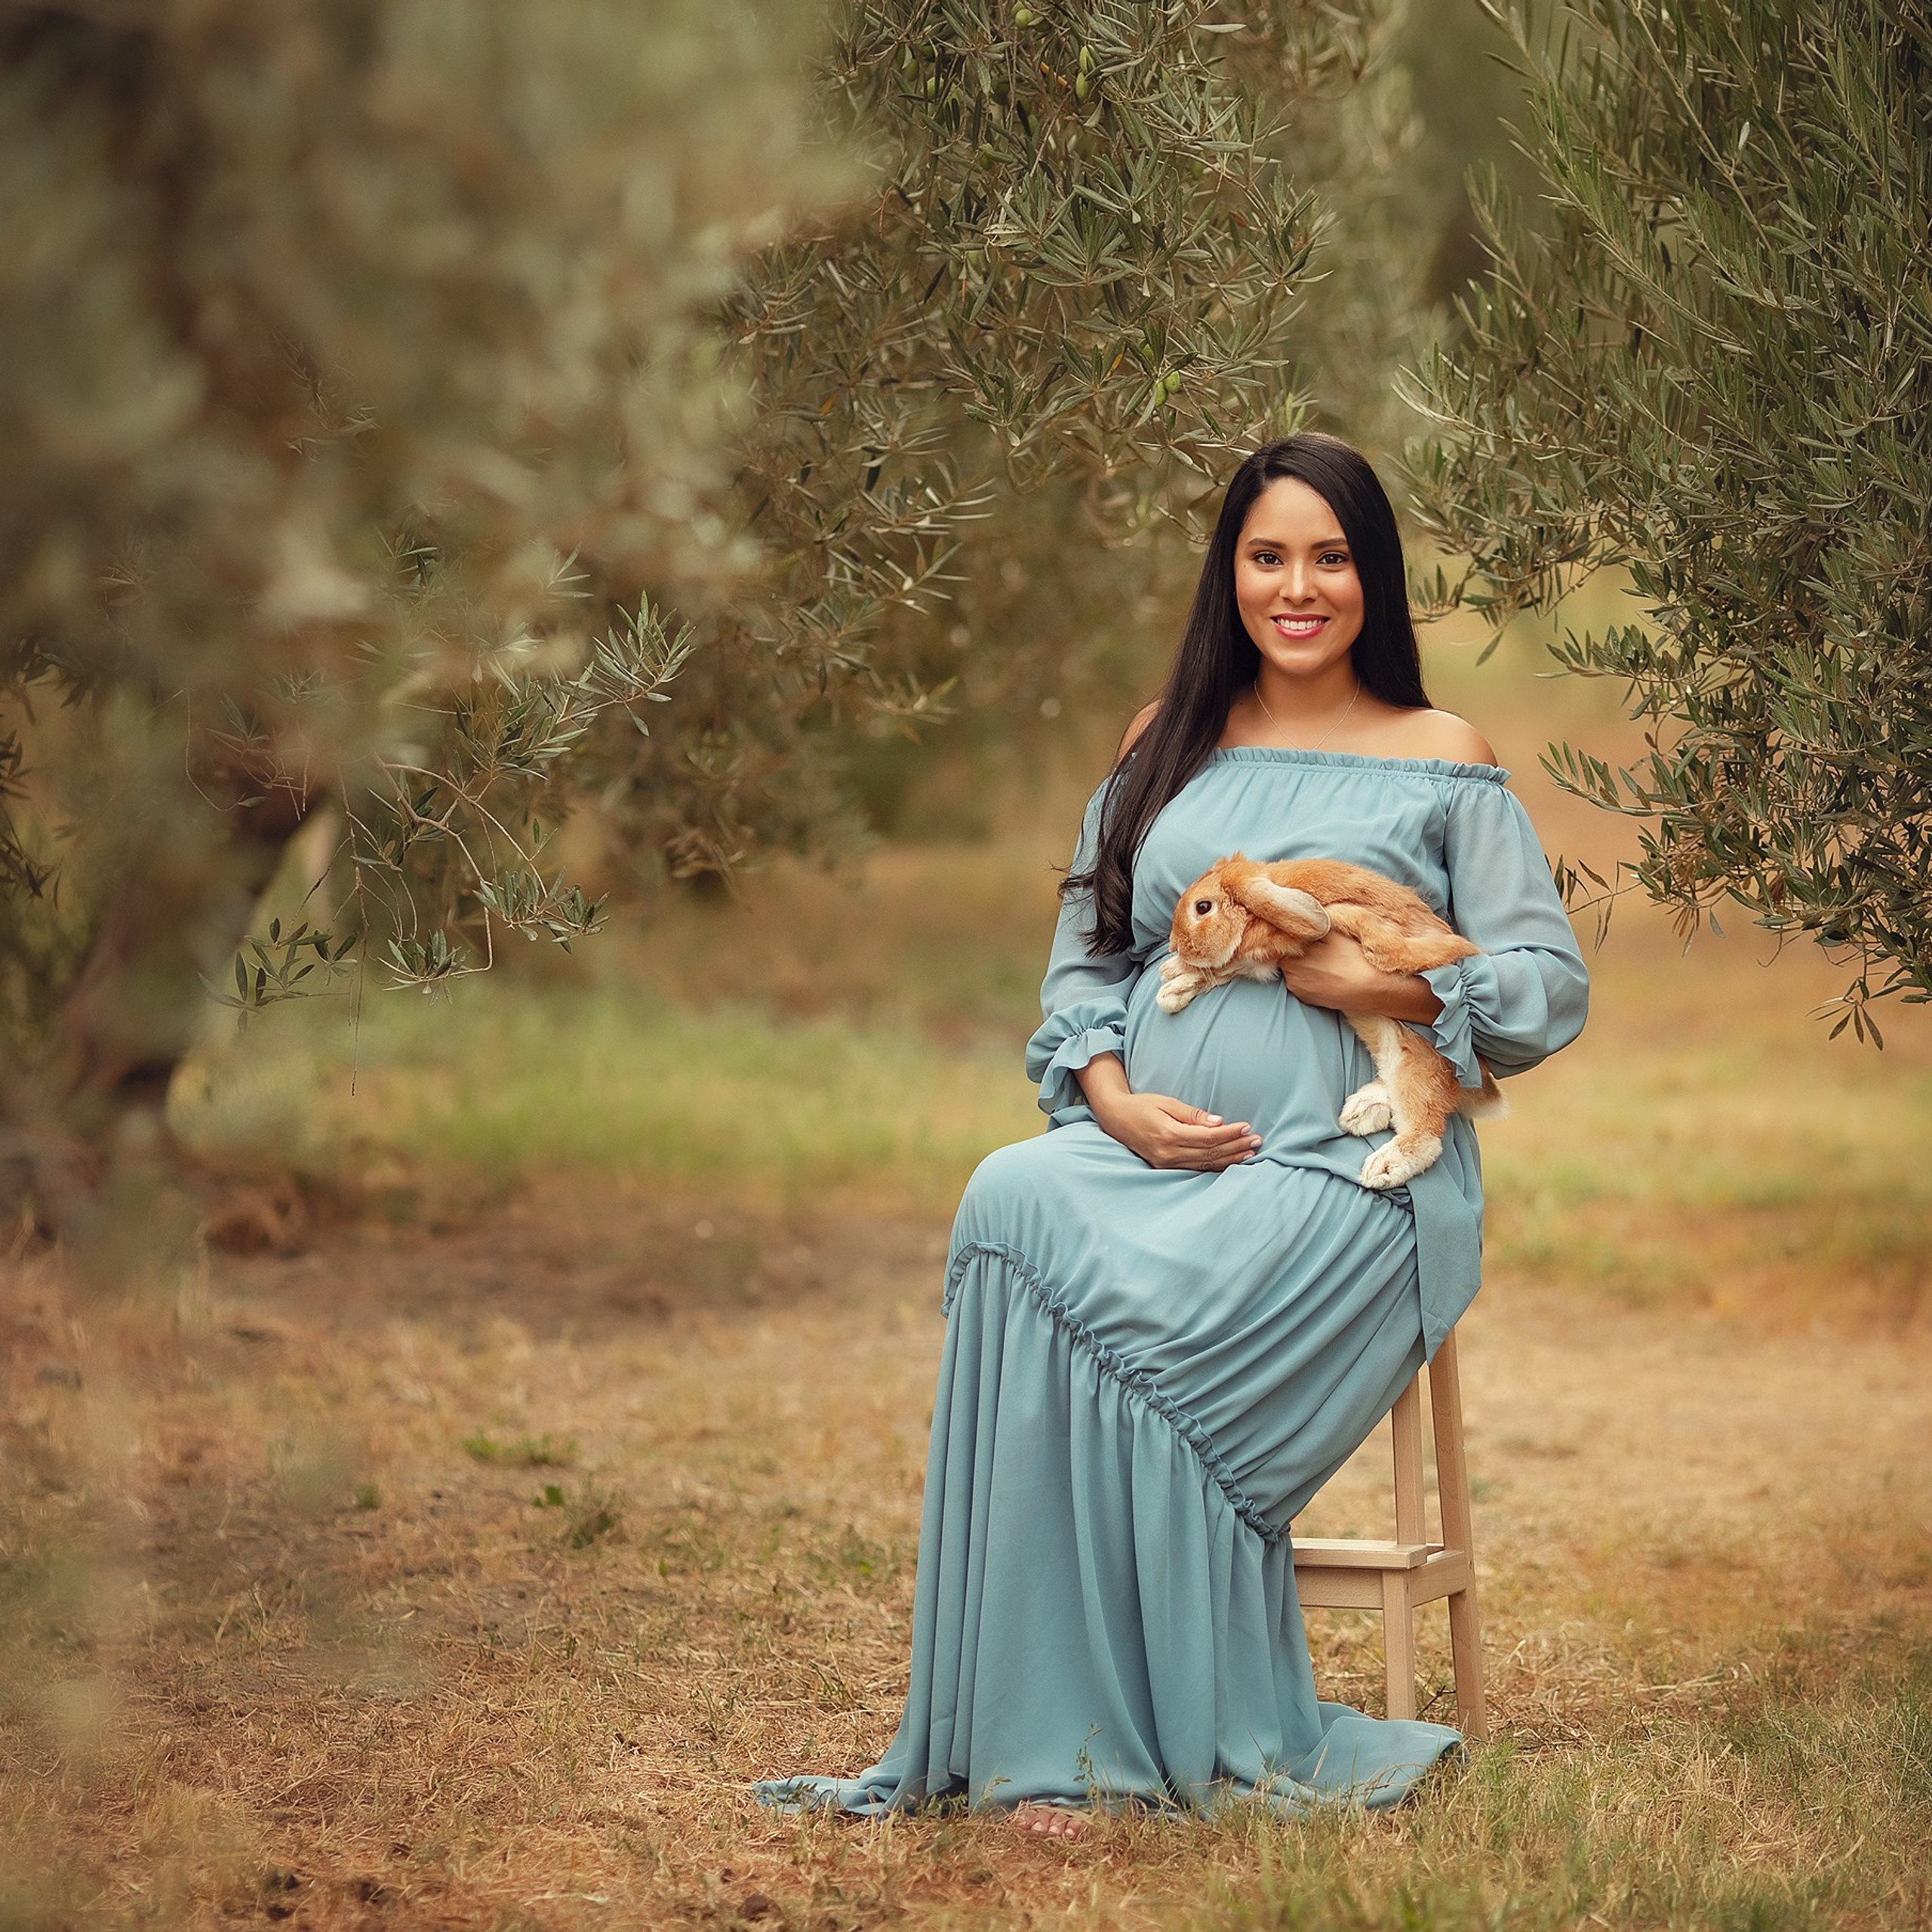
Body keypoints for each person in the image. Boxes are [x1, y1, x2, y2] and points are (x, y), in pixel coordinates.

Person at [755, 432, 1589, 1832]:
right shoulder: (1167, 742)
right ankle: (1044, 1739)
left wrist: (1378, 983)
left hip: (1345, 1178)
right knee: (1010, 1199)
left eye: (1330, 557)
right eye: (1269, 556)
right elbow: (1087, 961)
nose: (1299, 586)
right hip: (1151, 1153)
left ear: (1372, 577)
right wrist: (1114, 1102)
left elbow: (1547, 989)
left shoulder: (1443, 760)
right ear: (1232, 573)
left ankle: (1119, 1743)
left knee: (1137, 1300)